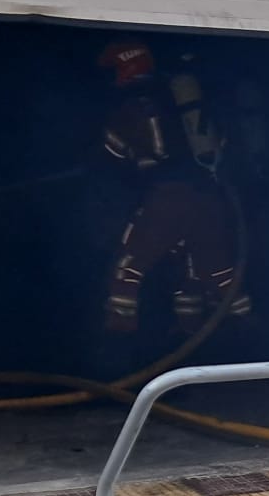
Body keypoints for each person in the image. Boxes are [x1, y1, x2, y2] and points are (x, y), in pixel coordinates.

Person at [96, 39, 249, 339]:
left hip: (167, 198)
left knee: (128, 267)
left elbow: (110, 154)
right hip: (210, 195)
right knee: (209, 270)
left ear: (122, 69)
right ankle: (241, 332)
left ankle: (117, 336)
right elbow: (222, 140)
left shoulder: (130, 106)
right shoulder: (185, 98)